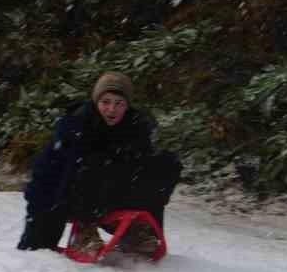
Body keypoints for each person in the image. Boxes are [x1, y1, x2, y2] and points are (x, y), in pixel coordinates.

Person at [16, 71, 182, 255]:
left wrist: (150, 220)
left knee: (165, 163)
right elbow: (47, 175)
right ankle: (84, 231)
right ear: (96, 102)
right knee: (94, 162)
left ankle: (136, 230)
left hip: (112, 192)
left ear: (127, 106)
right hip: (71, 195)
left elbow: (145, 172)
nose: (112, 109)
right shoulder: (76, 125)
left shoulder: (137, 127)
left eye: (119, 103)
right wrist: (39, 232)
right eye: (106, 102)